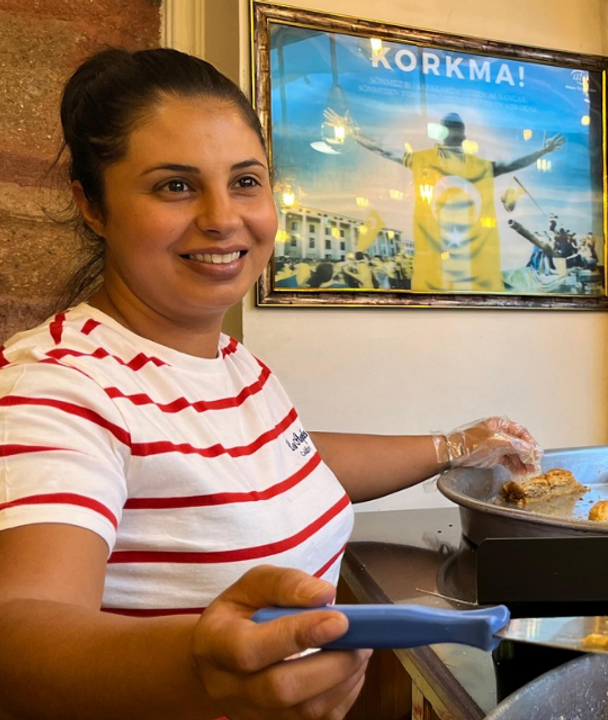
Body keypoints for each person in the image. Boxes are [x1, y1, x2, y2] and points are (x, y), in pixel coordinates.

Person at [0, 48, 542, 720]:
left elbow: (283, 462)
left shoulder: (229, 360)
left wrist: (457, 444)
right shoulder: (59, 384)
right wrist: (199, 666)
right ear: (94, 206)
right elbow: (20, 632)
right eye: (174, 185)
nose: (223, 218)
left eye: (246, 182)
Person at [343, 109, 565, 292]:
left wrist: (541, 152)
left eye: (453, 126)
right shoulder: (432, 161)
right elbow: (383, 150)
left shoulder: (452, 164)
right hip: (448, 273)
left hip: (462, 273)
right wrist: (541, 152)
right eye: (451, 126)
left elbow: (384, 150)